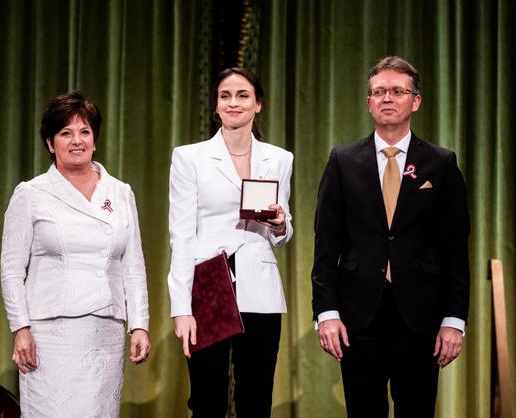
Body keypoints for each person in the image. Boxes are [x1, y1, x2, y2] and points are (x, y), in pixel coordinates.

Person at [311, 56, 470, 417]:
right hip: (356, 315)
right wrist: (326, 311)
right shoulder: (343, 161)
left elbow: (455, 247)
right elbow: (326, 245)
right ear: (368, 102)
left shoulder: (441, 164)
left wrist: (454, 319)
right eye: (379, 91)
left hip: (421, 315)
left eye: (397, 91)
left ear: (415, 101)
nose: (387, 98)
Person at [0, 91, 151, 417]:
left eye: (84, 132)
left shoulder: (120, 193)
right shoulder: (31, 194)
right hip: (50, 333)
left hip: (105, 331)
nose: (76, 140)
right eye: (65, 133)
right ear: (50, 144)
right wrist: (20, 328)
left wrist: (139, 324)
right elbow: (12, 269)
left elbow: (133, 265)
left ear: (95, 140)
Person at [168, 67, 294, 417]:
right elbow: (181, 235)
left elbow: (280, 234)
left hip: (260, 285)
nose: (233, 103)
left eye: (243, 95)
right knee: (208, 399)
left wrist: (282, 223)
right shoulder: (189, 157)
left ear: (258, 105)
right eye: (225, 96)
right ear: (216, 106)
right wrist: (181, 307)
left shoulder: (280, 159)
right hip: (209, 283)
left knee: (256, 398)